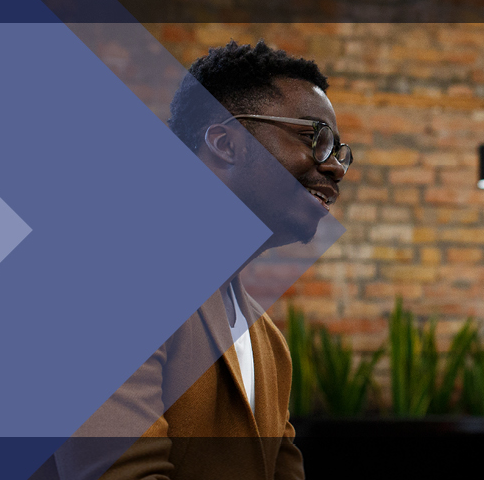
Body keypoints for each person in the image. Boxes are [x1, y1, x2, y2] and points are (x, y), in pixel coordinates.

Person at [42, 41, 350, 480]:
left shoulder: (269, 343)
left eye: (338, 152)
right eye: (314, 139)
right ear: (225, 143)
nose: (335, 167)